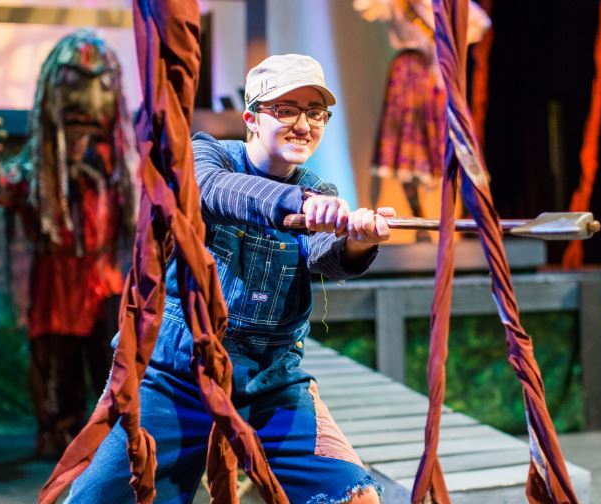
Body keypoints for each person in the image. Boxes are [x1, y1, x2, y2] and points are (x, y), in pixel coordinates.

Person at [64, 54, 392, 503]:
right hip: (174, 378)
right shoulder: (207, 155)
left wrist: (358, 239)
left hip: (269, 383)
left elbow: (323, 253)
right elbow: (211, 191)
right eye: (286, 110)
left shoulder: (321, 190)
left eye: (315, 113)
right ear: (252, 118)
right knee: (96, 499)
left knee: (355, 497)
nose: (303, 124)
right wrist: (297, 203)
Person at [0, 30, 138, 459]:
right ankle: (62, 434)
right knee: (58, 367)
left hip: (106, 282)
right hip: (57, 287)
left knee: (112, 366)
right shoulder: (37, 169)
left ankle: (113, 439)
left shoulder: (118, 167)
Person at [354, 0, 491, 242]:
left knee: (455, 142)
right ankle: (419, 220)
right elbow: (365, 6)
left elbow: (481, 22)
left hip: (438, 74)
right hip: (409, 72)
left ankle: (471, 216)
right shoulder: (397, 4)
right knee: (408, 148)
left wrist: (450, 44)